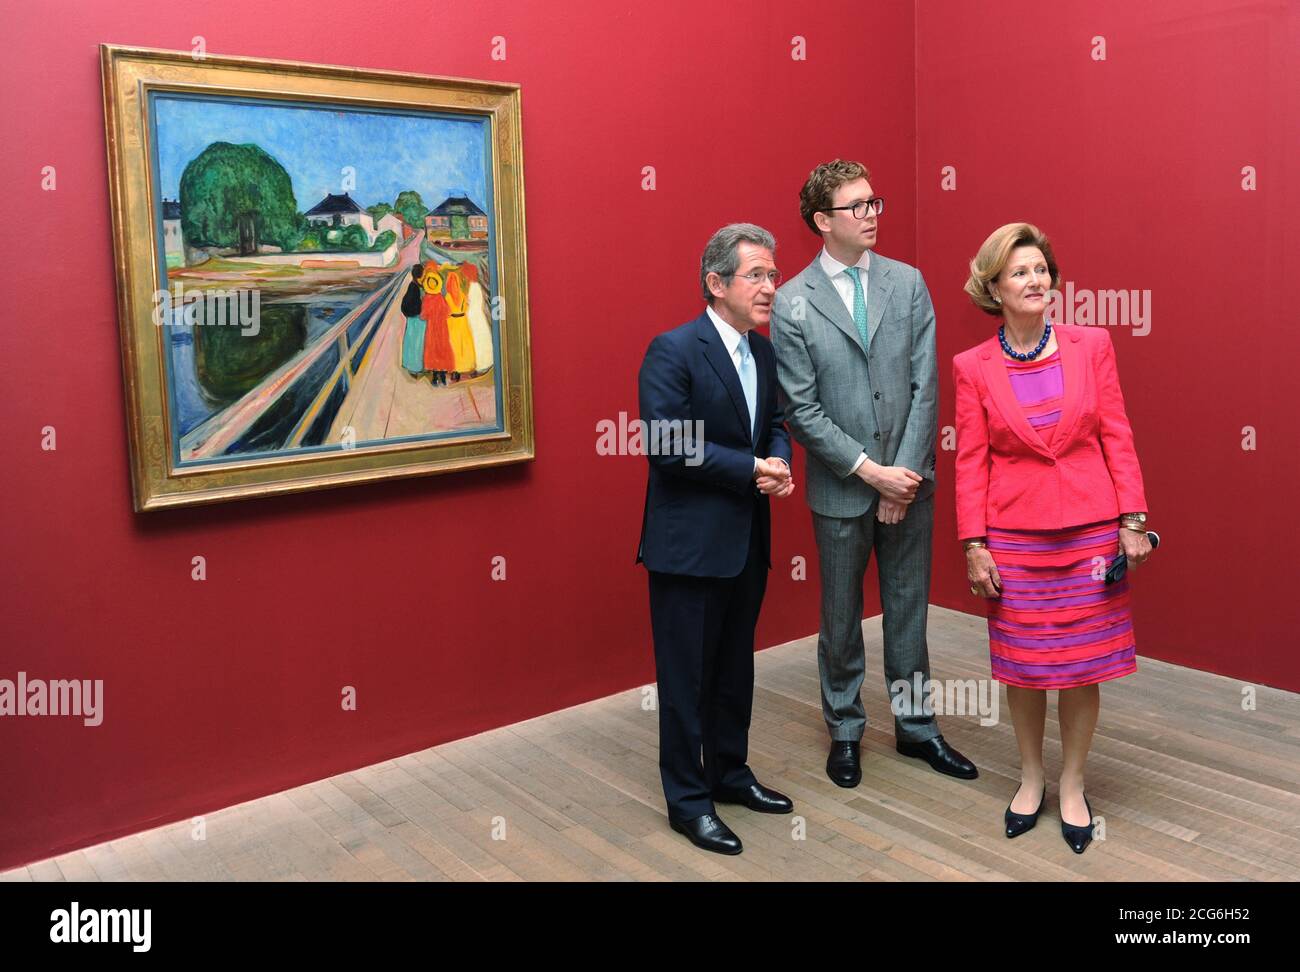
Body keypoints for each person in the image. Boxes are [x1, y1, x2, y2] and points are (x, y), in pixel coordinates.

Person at [772, 160, 977, 789]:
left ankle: (917, 730)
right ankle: (845, 730)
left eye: (874, 202)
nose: (872, 215)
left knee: (908, 611)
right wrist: (872, 475)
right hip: (842, 490)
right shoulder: (790, 302)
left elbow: (925, 386)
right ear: (821, 221)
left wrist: (904, 476)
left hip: (911, 484)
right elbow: (801, 410)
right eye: (856, 206)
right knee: (839, 618)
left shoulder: (908, 284)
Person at [952, 222, 1153, 853]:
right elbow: (970, 461)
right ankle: (1031, 778)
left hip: (1091, 535)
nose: (1036, 281)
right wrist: (973, 543)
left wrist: (1133, 521)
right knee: (1025, 668)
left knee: (1083, 666)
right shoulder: (972, 367)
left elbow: (1117, 434)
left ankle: (1073, 783)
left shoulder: (1091, 344)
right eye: (1020, 272)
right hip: (1014, 537)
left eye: (1041, 270)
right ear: (994, 287)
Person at [636, 223, 796, 855]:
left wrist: (778, 460)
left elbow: (775, 423)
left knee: (733, 671)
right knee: (685, 680)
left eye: (773, 276)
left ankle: (729, 774)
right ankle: (688, 801)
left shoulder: (764, 353)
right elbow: (666, 443)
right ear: (716, 282)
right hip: (688, 549)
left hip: (746, 543)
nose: (770, 288)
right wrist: (749, 469)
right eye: (757, 275)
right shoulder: (672, 350)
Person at [420, 264, 454, 386]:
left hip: (431, 328)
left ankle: (434, 377)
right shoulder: (441, 298)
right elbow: (448, 313)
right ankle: (443, 377)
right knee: (443, 349)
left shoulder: (427, 299)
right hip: (442, 328)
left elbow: (423, 315)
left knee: (433, 350)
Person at [400, 264, 427, 374]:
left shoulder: (415, 286)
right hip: (417, 320)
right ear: (419, 276)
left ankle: (412, 365)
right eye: (424, 274)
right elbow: (409, 305)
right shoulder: (414, 288)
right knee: (417, 344)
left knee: (413, 343)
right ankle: (415, 367)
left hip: (414, 320)